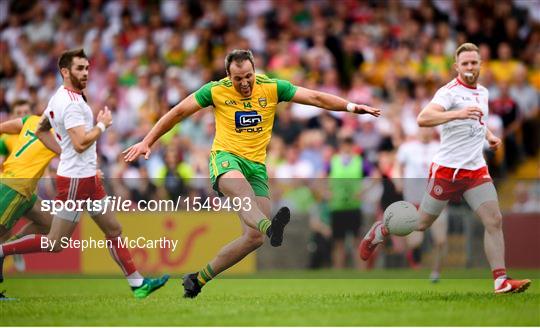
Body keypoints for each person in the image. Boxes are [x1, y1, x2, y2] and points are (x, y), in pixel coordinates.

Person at [124, 49, 381, 298]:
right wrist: (148, 141)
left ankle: (198, 278)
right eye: (238, 78)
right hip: (226, 159)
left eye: (248, 76)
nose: (245, 82)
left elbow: (315, 98)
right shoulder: (215, 90)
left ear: (254, 70)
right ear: (228, 75)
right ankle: (271, 228)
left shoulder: (272, 87)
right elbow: (178, 111)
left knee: (253, 238)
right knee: (245, 197)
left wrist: (350, 106)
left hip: (256, 166)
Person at [359, 43, 531, 294]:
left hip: (475, 170)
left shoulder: (482, 92)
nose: (470, 67)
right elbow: (423, 118)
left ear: (481, 64)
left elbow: (477, 120)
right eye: (465, 63)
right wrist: (457, 114)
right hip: (447, 171)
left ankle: (500, 281)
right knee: (420, 224)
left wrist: (490, 136)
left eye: (474, 62)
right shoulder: (448, 92)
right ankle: (381, 229)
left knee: (494, 220)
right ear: (456, 67)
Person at [0, 48, 169, 299]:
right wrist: (102, 125)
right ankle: (3, 250)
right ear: (65, 71)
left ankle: (137, 284)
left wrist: (67, 153)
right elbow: (80, 143)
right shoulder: (71, 105)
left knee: (113, 229)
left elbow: (41, 129)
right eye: (80, 68)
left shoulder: (60, 97)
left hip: (86, 176)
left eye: (87, 68)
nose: (86, 73)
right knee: (57, 243)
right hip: (76, 181)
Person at [0, 104, 59, 281]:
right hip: (15, 187)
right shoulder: (58, 136)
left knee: (48, 223)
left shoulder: (30, 121)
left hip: (24, 189)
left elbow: (2, 127)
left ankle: (11, 248)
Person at [395, 127, 448, 282]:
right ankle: (413, 262)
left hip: (436, 198)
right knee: (415, 241)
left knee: (440, 240)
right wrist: (398, 180)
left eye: (429, 129)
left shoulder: (440, 147)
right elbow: (398, 167)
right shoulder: (407, 147)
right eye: (423, 129)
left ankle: (436, 272)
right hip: (414, 199)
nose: (426, 132)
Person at [328, 136, 364, 269]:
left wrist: (363, 191)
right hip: (337, 207)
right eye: (344, 144)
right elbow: (321, 176)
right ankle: (338, 273)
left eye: (349, 144)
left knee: (357, 241)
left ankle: (361, 273)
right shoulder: (334, 161)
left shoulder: (359, 161)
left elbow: (375, 175)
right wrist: (327, 192)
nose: (347, 147)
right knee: (338, 243)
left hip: (354, 206)